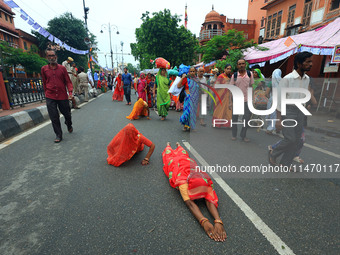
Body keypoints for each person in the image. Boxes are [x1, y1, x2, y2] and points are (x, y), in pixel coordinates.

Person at [162, 142, 226, 242]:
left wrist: (218, 221)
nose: (201, 196)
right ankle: (168, 145)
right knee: (168, 154)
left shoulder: (205, 179)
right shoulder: (182, 182)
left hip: (187, 161)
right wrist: (203, 221)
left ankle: (178, 145)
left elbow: (209, 199)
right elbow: (190, 203)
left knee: (182, 152)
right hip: (176, 164)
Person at [268, 51, 315, 167]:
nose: (311, 64)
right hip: (288, 111)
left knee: (297, 140)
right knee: (290, 138)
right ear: (299, 64)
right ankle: (273, 152)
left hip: (300, 111)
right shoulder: (287, 79)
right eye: (308, 62)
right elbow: (279, 100)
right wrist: (278, 120)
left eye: (311, 61)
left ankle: (285, 163)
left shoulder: (307, 79)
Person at [41, 49, 73, 143]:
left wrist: (70, 93)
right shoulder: (44, 69)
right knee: (54, 116)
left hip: (62, 95)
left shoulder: (62, 68)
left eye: (53, 55)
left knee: (67, 113)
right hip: (50, 96)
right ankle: (58, 134)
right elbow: (44, 82)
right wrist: (46, 92)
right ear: (47, 57)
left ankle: (69, 124)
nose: (52, 58)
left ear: (56, 56)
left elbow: (68, 81)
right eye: (49, 56)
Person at [230, 59, 254, 142]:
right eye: (239, 64)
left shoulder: (249, 74)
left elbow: (251, 86)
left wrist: (252, 99)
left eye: (243, 63)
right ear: (237, 66)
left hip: (247, 100)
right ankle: (234, 134)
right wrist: (230, 102)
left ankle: (243, 135)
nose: (241, 65)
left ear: (245, 64)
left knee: (246, 118)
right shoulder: (235, 75)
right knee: (235, 118)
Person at [179, 67, 199, 131]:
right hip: (188, 98)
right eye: (191, 71)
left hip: (195, 98)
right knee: (187, 112)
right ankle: (184, 123)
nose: (192, 73)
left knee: (193, 113)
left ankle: (190, 126)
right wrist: (182, 78)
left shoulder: (197, 80)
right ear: (189, 72)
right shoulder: (186, 79)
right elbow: (178, 86)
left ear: (195, 72)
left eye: (193, 71)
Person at [265, 69, 282, 134]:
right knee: (279, 114)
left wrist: (270, 98)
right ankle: (277, 128)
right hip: (281, 100)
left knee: (272, 115)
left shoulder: (271, 82)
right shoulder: (283, 81)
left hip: (273, 99)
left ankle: (270, 128)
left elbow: (266, 93)